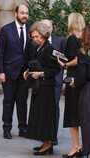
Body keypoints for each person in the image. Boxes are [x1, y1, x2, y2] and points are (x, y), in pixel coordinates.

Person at [24, 21, 60, 155]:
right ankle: (45, 143)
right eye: (33, 37)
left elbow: (55, 69)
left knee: (45, 116)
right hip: (40, 87)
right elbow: (39, 64)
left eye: (37, 36)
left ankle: (48, 144)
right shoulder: (39, 47)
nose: (35, 39)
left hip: (47, 88)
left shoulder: (49, 48)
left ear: (44, 34)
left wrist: (41, 73)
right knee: (40, 116)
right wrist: (28, 71)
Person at [0, 4, 30, 139]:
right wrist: (0, 71)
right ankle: (7, 129)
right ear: (15, 14)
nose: (25, 16)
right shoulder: (6, 30)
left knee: (23, 102)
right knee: (9, 101)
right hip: (9, 72)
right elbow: (0, 52)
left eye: (26, 13)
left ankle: (23, 128)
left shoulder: (31, 29)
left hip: (25, 73)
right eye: (22, 13)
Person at [57, 13, 85, 158]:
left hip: (73, 80)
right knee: (82, 115)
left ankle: (76, 147)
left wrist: (64, 63)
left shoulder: (72, 39)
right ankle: (81, 147)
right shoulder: (84, 40)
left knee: (72, 115)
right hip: (84, 80)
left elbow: (76, 60)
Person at [41, 19, 66, 145]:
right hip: (43, 82)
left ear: (52, 28)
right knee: (43, 108)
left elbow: (66, 59)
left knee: (54, 108)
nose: (47, 28)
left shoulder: (60, 41)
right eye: (44, 26)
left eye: (49, 26)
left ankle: (53, 136)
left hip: (56, 81)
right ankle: (44, 136)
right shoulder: (37, 42)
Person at [69, 26, 90, 158]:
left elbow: (81, 78)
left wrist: (73, 83)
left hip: (87, 90)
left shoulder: (83, 54)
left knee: (86, 122)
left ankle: (86, 151)